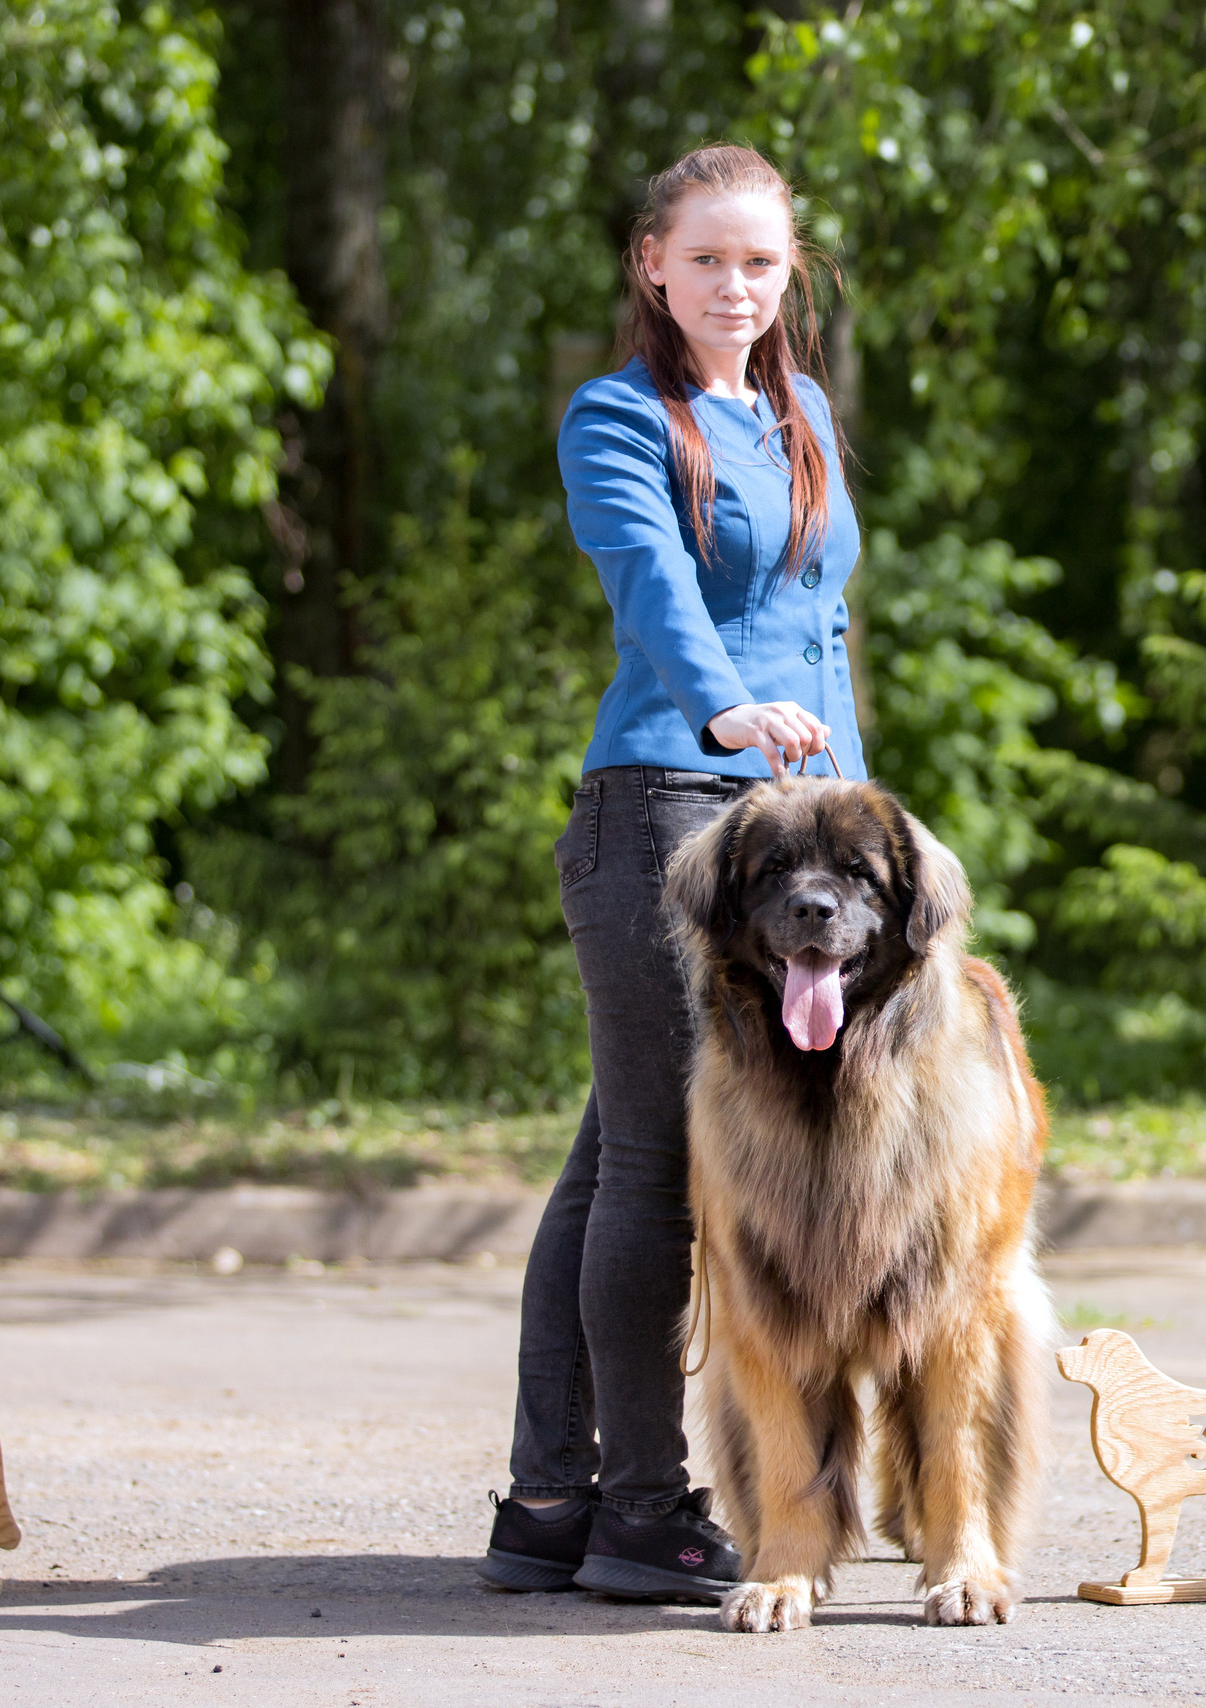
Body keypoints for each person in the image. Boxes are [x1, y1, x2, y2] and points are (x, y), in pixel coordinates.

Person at [476, 144, 863, 1602]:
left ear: (789, 268)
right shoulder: (619, 415)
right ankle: (641, 1509)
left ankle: (546, 1504)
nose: (734, 285)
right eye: (705, 258)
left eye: (758, 261)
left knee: (608, 1161)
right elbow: (651, 589)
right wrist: (727, 709)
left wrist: (857, 818)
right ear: (653, 263)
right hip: (665, 809)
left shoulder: (799, 412)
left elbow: (822, 631)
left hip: (786, 823)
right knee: (653, 1171)